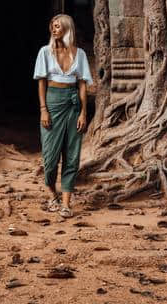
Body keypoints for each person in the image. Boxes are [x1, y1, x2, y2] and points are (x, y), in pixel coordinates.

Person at [33, 13, 93, 218]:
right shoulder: (45, 52)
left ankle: (66, 204)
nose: (53, 29)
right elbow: (41, 82)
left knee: (72, 155)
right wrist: (43, 109)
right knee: (50, 159)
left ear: (67, 28)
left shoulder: (81, 54)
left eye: (57, 26)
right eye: (52, 25)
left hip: (73, 104)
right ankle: (52, 194)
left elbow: (83, 85)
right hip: (52, 101)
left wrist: (84, 113)